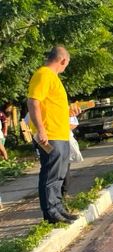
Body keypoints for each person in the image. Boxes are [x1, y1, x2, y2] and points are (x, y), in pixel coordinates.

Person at [26, 46, 80, 223]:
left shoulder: (54, 79)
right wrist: (41, 130)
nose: (66, 67)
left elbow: (53, 107)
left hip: (61, 134)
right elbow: (33, 102)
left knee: (59, 174)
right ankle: (50, 212)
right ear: (63, 61)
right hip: (50, 135)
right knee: (50, 174)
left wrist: (69, 111)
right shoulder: (43, 74)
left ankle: (58, 208)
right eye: (67, 64)